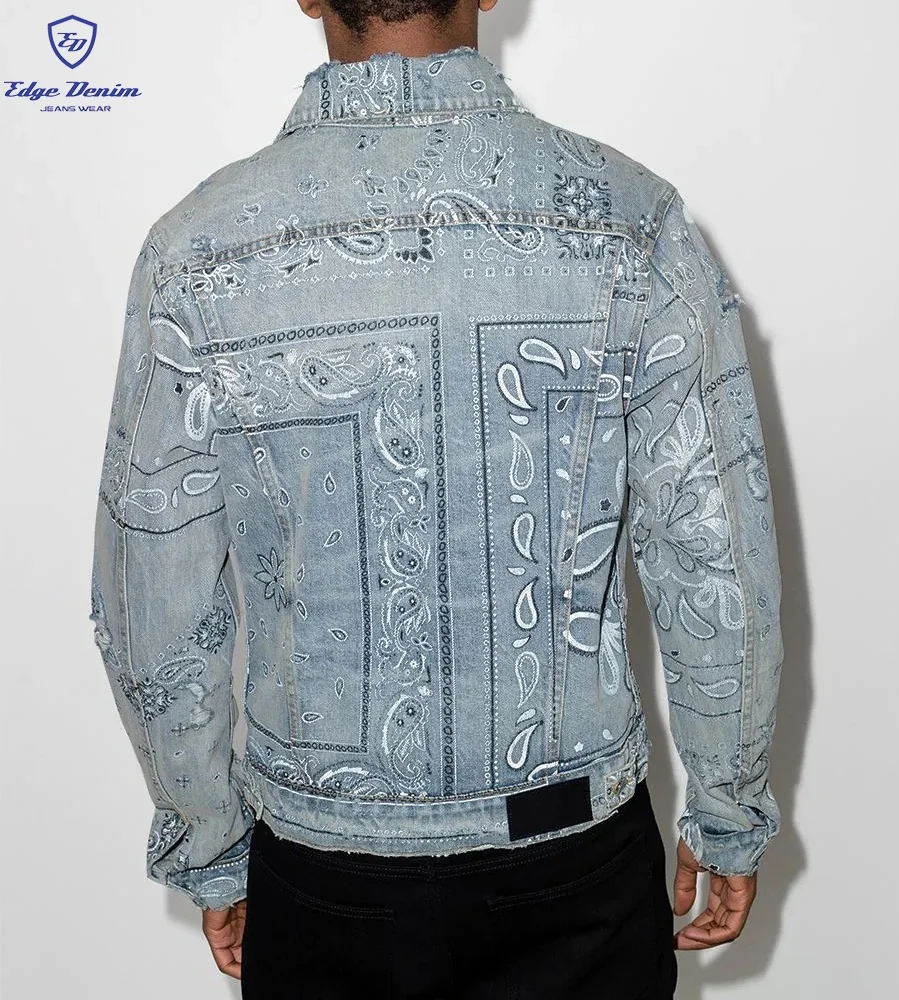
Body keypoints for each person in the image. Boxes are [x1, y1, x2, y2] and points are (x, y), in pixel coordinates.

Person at [89, 1, 784, 996]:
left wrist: (209, 842)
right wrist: (726, 808)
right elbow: (717, 556)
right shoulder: (631, 224)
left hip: (324, 873)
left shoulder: (197, 252)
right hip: (571, 857)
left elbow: (149, 602)